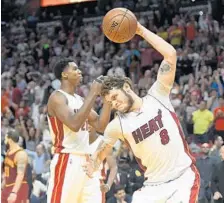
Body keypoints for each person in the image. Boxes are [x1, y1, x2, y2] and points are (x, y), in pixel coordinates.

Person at [87, 21, 200, 203]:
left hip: (181, 179)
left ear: (126, 87)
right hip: (152, 187)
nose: (114, 103)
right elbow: (102, 151)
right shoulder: (117, 125)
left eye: (115, 97)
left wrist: (139, 29)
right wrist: (93, 163)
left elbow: (170, 54)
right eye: (110, 102)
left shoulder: (158, 94)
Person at [46, 58, 112, 203]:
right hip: (67, 158)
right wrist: (93, 93)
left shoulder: (81, 100)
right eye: (75, 69)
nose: (79, 71)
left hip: (87, 161)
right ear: (64, 75)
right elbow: (74, 124)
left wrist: (107, 99)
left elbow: (100, 126)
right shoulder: (57, 97)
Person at [88, 124, 118, 203]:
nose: (87, 126)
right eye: (85, 123)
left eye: (90, 123)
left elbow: (113, 167)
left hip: (96, 182)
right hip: (79, 180)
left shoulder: (104, 142)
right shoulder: (78, 141)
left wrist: (108, 185)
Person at [1, 130, 29, 203]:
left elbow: (21, 174)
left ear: (10, 139)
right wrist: (1, 187)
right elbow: (7, 172)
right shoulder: (8, 153)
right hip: (7, 187)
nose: (4, 140)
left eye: (6, 138)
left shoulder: (21, 154)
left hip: (18, 188)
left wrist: (14, 192)